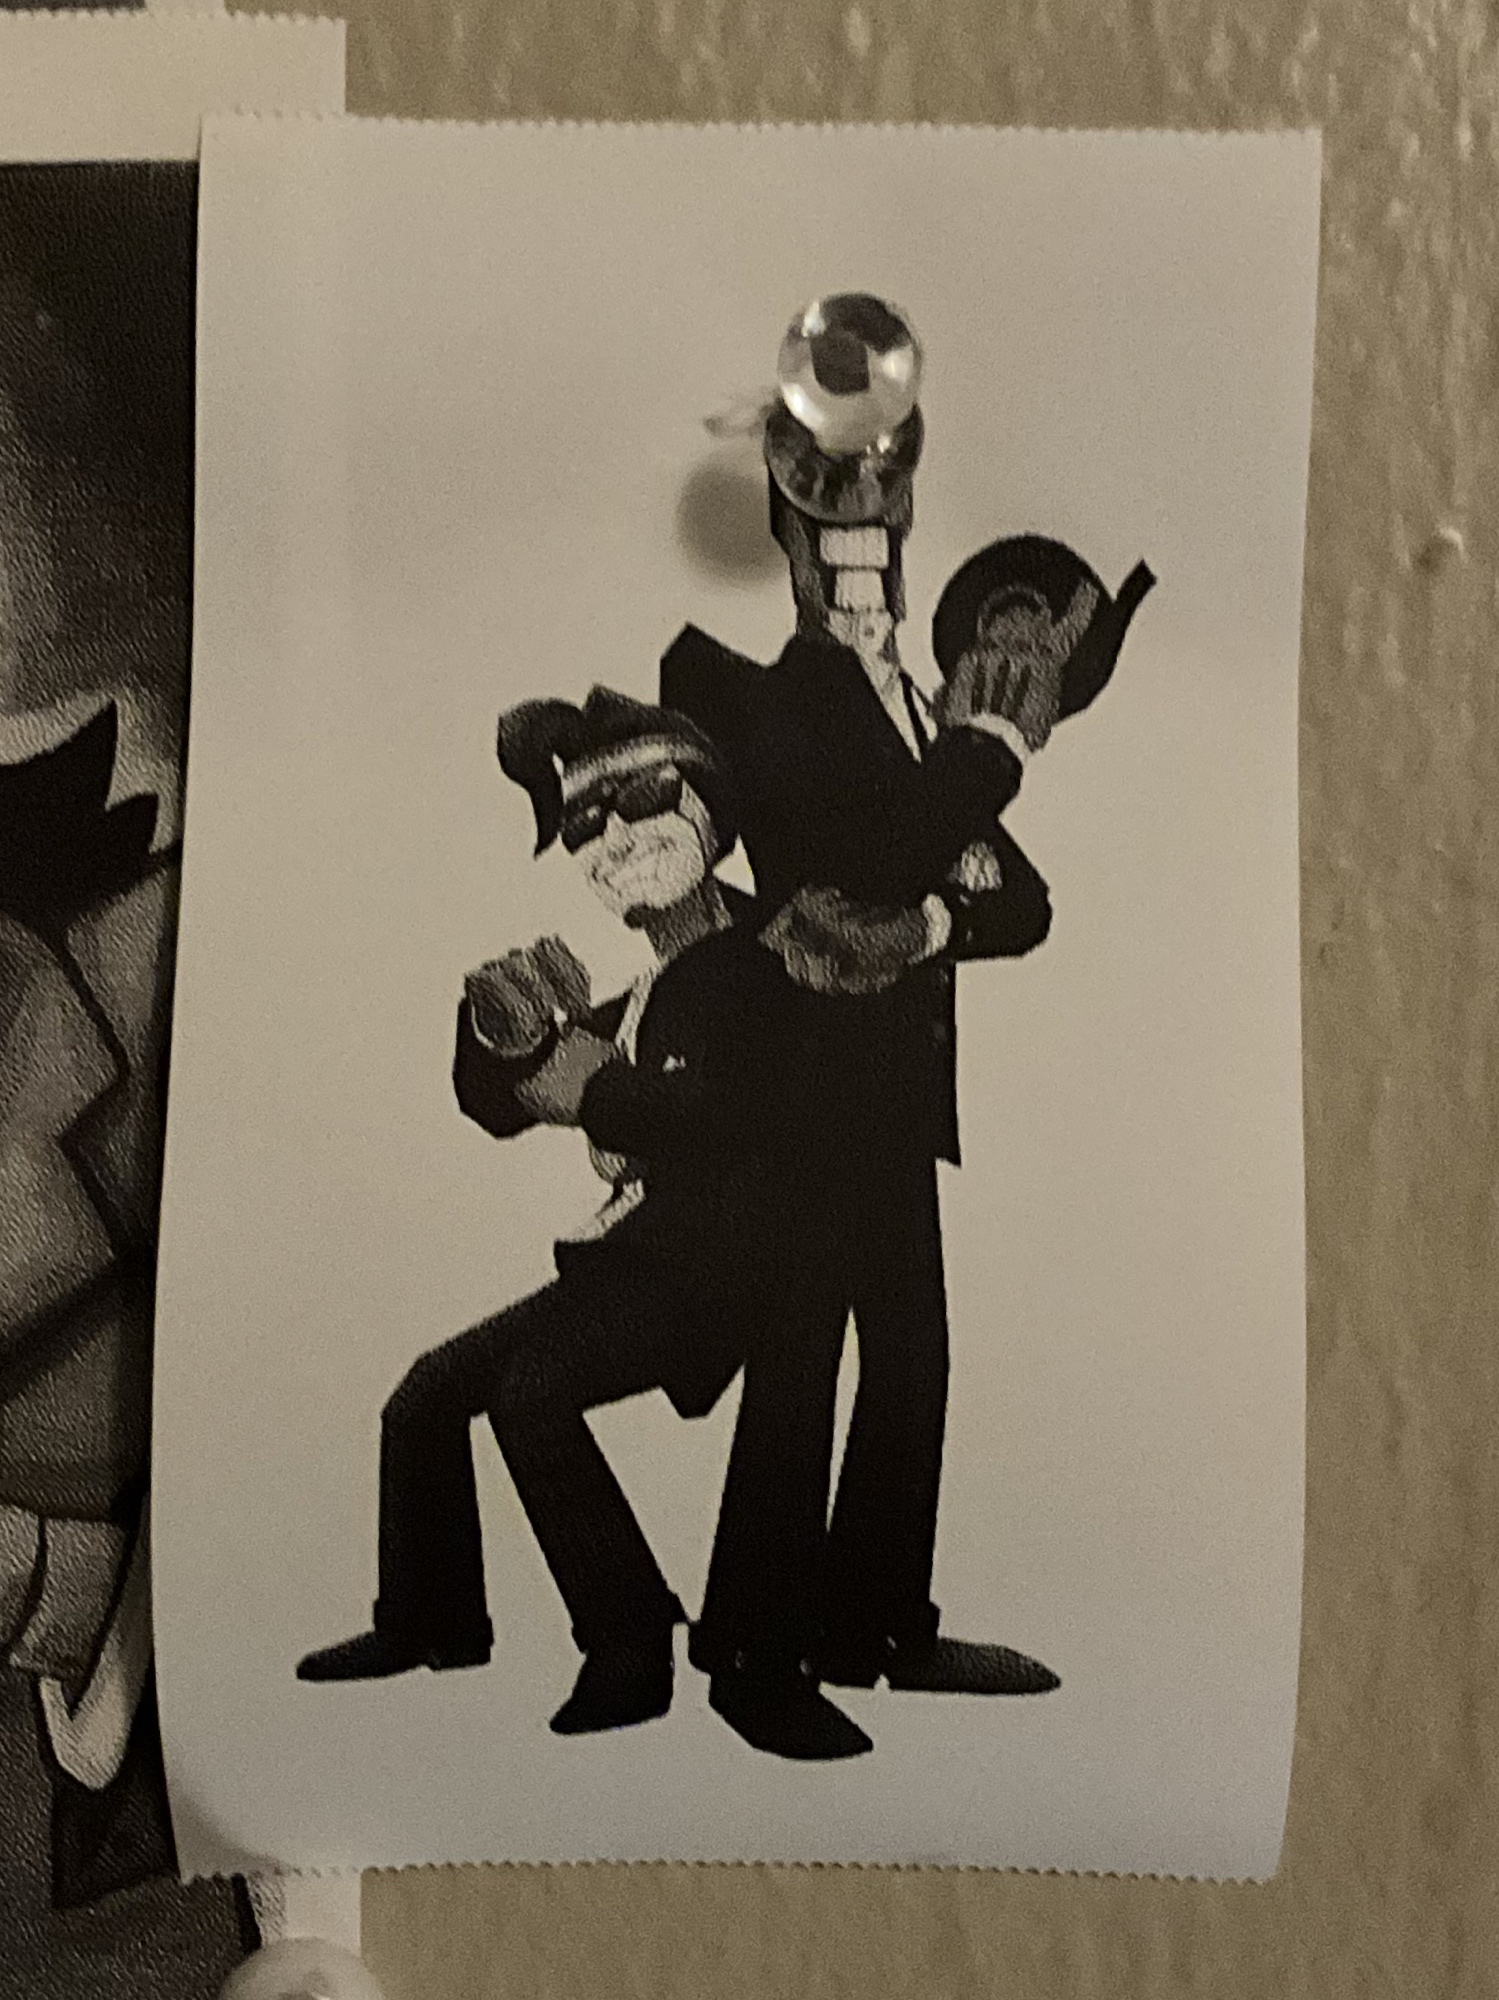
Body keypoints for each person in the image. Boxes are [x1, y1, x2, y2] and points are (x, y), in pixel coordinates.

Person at [662, 311, 1152, 1706]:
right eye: (834, 532)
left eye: (879, 532)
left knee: (911, 1359)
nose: (861, 562)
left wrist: (931, 918)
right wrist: (984, 753)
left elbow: (1019, 902)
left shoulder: (914, 717)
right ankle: (752, 1652)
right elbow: (881, 850)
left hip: (887, 1096)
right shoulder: (781, 701)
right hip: (805, 1092)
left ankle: (875, 1625)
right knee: (798, 1357)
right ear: (792, 541)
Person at [296, 688, 874, 1756]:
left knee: (533, 1389)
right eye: (583, 823)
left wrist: (590, 1086)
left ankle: (628, 1645)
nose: (614, 837)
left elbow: (732, 1116)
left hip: (727, 1274)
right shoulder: (655, 981)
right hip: (641, 1267)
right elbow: (497, 1104)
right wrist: (497, 1024)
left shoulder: (762, 961)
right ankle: (430, 1618)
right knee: (425, 1395)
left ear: (708, 809)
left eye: (643, 798)